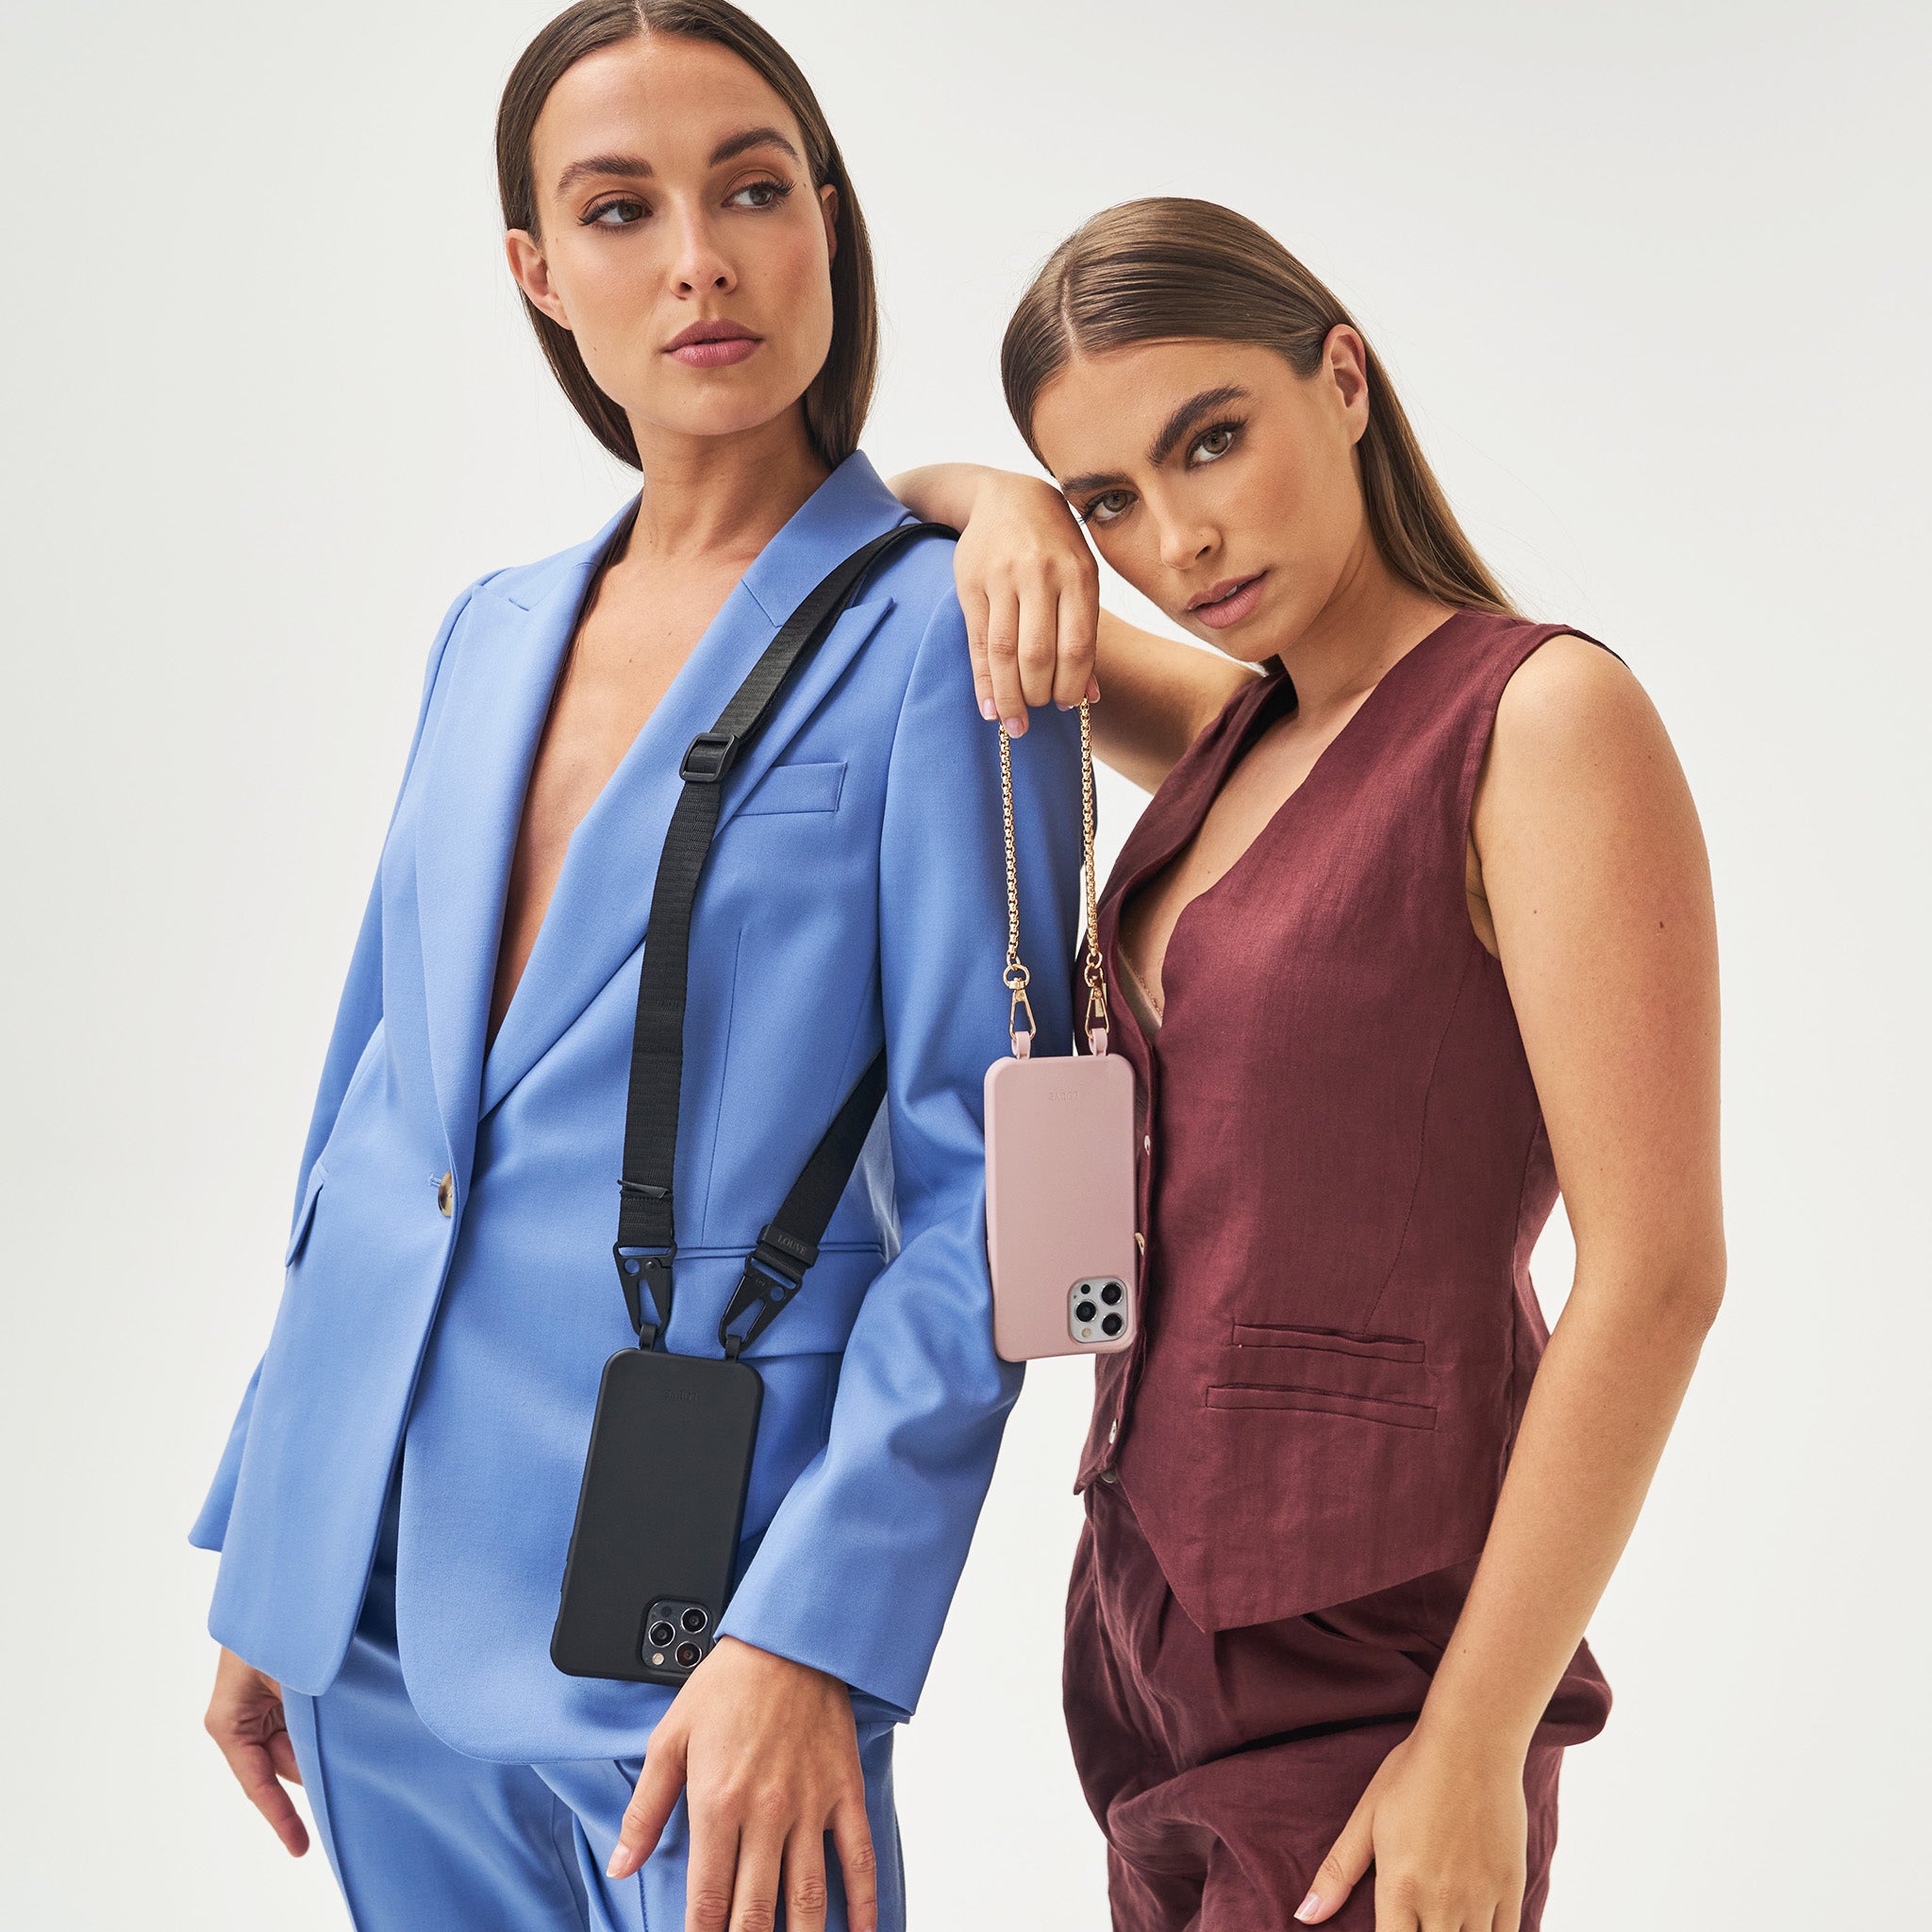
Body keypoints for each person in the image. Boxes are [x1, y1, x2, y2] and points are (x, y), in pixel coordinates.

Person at [192, 7, 1079, 1928]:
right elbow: (379, 1107)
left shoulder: (952, 633)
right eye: (619, 210)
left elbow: (1015, 1201)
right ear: (536, 270)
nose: (699, 259)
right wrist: (281, 1529)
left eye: (751, 191)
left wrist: (820, 1629)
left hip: (704, 1636)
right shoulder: (489, 630)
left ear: (825, 220)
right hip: (368, 1611)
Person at [895, 198, 1724, 1931]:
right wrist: (1007, 504)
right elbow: (901, 519)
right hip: (1145, 1640)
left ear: (1342, 380)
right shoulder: (1242, 732)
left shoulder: (1536, 719)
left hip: (1383, 1663)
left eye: (1211, 440)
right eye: (1112, 500)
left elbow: (1657, 1273)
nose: (1179, 537)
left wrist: (1473, 1741)